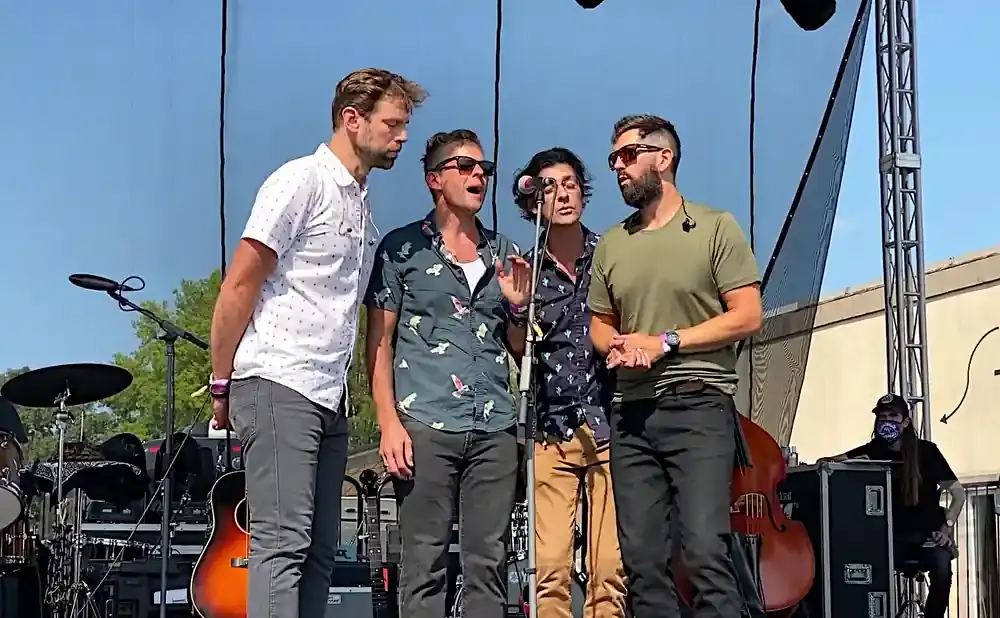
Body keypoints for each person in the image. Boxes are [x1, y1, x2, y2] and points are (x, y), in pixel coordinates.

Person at [207, 68, 427, 618]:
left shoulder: (360, 200)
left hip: (330, 394)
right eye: (392, 124)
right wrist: (221, 383)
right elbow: (239, 284)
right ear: (352, 120)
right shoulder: (300, 180)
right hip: (279, 378)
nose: (403, 137)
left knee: (320, 553)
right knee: (282, 543)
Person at [587, 114, 763, 618]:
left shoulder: (714, 227)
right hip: (631, 413)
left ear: (663, 158)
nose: (618, 167)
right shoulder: (613, 243)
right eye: (613, 158)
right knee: (642, 561)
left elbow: (747, 315)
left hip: (698, 404)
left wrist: (666, 341)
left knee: (704, 550)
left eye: (627, 155)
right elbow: (599, 323)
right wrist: (618, 345)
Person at [364, 129, 531, 618]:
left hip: (495, 427)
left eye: (485, 168)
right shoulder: (401, 249)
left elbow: (519, 348)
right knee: (423, 565)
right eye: (465, 166)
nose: (479, 175)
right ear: (434, 180)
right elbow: (379, 343)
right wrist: (388, 423)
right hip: (426, 425)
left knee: (490, 564)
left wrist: (518, 308)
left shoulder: (505, 251)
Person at [507, 147, 626, 618]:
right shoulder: (527, 268)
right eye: (550, 187)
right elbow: (518, 349)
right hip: (550, 432)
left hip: (609, 425)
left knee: (608, 570)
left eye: (570, 183)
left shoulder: (612, 256)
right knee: (550, 570)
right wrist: (517, 307)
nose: (562, 194)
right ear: (533, 202)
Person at [825, 394, 965, 618]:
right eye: (882, 417)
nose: (886, 421)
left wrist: (946, 528)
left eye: (893, 416)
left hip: (928, 535)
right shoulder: (872, 451)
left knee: (942, 568)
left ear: (906, 421)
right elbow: (829, 463)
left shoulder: (927, 452)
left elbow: (958, 494)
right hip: (888, 538)